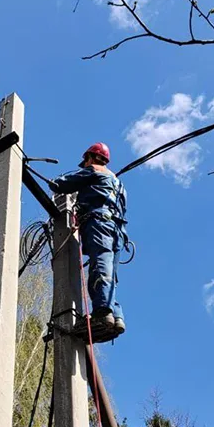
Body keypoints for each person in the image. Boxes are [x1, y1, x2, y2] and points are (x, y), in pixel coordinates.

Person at [49, 142, 128, 340]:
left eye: (85, 162)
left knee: (99, 264)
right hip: (117, 231)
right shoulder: (119, 184)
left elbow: (62, 184)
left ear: (91, 157)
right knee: (110, 273)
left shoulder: (94, 170)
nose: (84, 165)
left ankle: (102, 313)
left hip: (99, 222)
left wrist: (55, 181)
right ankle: (116, 317)